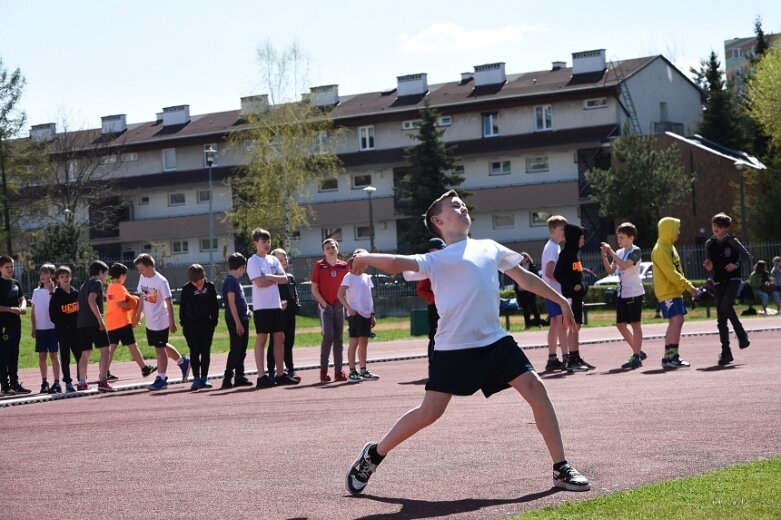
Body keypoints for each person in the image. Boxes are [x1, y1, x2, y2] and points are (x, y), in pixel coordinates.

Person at [345, 190, 590, 495]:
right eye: (454, 207)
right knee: (430, 412)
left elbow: (525, 278)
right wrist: (365, 257)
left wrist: (562, 301)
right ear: (438, 220)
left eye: (463, 205)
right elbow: (397, 262)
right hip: (453, 347)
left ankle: (561, 468)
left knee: (535, 387)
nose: (462, 209)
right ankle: (374, 454)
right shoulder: (436, 259)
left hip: (495, 341)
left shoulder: (489, 247)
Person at [246, 228, 299, 388]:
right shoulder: (253, 261)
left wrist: (269, 277)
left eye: (268, 241)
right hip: (262, 307)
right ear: (256, 243)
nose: (267, 244)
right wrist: (273, 279)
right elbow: (259, 283)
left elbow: (284, 279)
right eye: (263, 242)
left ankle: (281, 374)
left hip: (275, 305)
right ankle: (262, 376)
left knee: (279, 339)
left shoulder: (273, 261)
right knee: (262, 339)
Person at [133, 253, 190, 391]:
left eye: (141, 269)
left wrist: (172, 321)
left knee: (159, 349)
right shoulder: (143, 278)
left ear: (149, 267)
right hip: (150, 321)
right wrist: (137, 314)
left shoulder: (161, 281)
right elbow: (141, 297)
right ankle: (183, 362)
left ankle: (161, 378)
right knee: (161, 346)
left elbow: (168, 302)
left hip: (161, 320)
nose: (139, 272)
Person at [702, 213, 751, 366]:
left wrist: (735, 265)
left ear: (726, 228)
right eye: (714, 225)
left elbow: (746, 257)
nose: (716, 228)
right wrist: (709, 267)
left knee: (725, 306)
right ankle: (726, 352)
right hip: (718, 281)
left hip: (733, 279)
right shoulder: (709, 244)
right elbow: (710, 264)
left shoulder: (733, 241)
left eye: (720, 226)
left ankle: (741, 333)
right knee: (721, 319)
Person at [651, 217, 698, 369]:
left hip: (673, 291)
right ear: (668, 230)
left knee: (676, 321)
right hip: (668, 292)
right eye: (676, 228)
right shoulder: (661, 249)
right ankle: (671, 357)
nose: (678, 232)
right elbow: (671, 273)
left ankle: (670, 356)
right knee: (677, 321)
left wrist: (684, 287)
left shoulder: (669, 247)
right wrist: (689, 287)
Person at [600, 222, 647, 369]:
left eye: (622, 237)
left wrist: (612, 252)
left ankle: (636, 356)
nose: (619, 240)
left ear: (631, 237)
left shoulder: (636, 251)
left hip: (634, 292)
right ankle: (638, 351)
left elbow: (626, 265)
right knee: (620, 325)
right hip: (622, 293)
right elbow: (610, 269)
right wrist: (604, 255)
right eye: (618, 237)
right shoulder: (619, 252)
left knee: (635, 324)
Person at [105, 263, 156, 379]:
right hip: (122, 322)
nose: (126, 278)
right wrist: (132, 305)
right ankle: (144, 368)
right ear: (121, 275)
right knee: (133, 346)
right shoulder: (119, 287)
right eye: (125, 275)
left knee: (111, 348)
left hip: (112, 322)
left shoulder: (110, 287)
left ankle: (104, 371)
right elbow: (120, 303)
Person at [311, 238, 349, 382]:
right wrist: (324, 305)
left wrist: (345, 304)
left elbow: (348, 287)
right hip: (325, 306)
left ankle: (338, 372)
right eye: (327, 247)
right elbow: (314, 289)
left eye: (333, 246)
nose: (330, 249)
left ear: (337, 249)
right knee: (328, 336)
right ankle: (323, 371)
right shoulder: (319, 266)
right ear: (324, 251)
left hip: (339, 305)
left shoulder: (344, 266)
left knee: (338, 339)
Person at [553, 224, 591, 372]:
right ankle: (571, 359)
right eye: (581, 238)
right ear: (575, 238)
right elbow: (557, 274)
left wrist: (582, 286)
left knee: (577, 325)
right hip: (570, 297)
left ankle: (576, 356)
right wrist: (571, 286)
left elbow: (577, 275)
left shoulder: (575, 254)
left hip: (576, 297)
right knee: (573, 326)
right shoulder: (566, 254)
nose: (583, 241)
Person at [337, 249, 379, 383]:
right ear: (350, 266)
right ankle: (352, 371)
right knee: (354, 342)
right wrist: (349, 308)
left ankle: (363, 370)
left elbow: (369, 297)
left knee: (364, 342)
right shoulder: (348, 277)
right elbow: (340, 294)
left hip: (366, 314)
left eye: (362, 265)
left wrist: (372, 314)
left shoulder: (366, 278)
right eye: (355, 266)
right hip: (355, 314)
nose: (359, 269)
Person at [179, 264, 219, 390]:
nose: (198, 284)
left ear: (204, 277)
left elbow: (215, 306)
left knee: (205, 351)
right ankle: (196, 378)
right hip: (191, 326)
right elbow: (182, 308)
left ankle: (205, 377)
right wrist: (184, 323)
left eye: (200, 281)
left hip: (207, 324)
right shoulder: (187, 289)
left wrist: (214, 322)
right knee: (195, 352)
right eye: (194, 282)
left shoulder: (210, 287)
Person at [266, 248, 301, 381]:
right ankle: (271, 371)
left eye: (285, 258)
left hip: (290, 314)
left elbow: (294, 292)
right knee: (275, 342)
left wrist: (296, 304)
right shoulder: (273, 278)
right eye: (280, 259)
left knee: (289, 342)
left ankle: (290, 369)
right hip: (278, 314)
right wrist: (279, 303)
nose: (284, 261)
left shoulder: (290, 277)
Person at [77, 260, 112, 392]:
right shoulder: (97, 283)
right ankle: (103, 380)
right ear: (100, 272)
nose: (106, 277)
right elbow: (91, 300)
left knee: (85, 353)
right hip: (93, 322)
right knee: (105, 349)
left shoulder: (83, 285)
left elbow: (79, 305)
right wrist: (100, 319)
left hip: (81, 323)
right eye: (105, 274)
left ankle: (82, 382)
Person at [541, 216, 570, 371]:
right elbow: (549, 271)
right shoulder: (552, 248)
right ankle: (565, 357)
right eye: (561, 229)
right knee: (560, 324)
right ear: (553, 230)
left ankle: (553, 358)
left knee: (556, 324)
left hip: (551, 291)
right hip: (553, 291)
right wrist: (565, 280)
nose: (564, 232)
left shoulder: (554, 246)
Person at [221, 253, 253, 389]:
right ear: (241, 267)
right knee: (236, 348)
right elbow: (231, 303)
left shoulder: (236, 281)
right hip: (235, 320)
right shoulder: (230, 281)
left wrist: (247, 311)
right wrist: (238, 322)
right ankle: (227, 377)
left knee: (242, 349)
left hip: (243, 318)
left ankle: (239, 375)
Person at [0, 255, 30, 395]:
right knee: (3, 354)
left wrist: (23, 306)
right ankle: (5, 386)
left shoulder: (15, 283)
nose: (10, 269)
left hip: (15, 324)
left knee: (14, 354)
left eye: (12, 266)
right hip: (3, 324)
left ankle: (15, 384)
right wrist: (10, 309)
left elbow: (22, 298)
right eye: (7, 267)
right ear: (0, 268)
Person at [415, 238, 446, 371]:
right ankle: (433, 367)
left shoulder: (447, 265)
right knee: (434, 335)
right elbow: (420, 289)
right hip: (434, 306)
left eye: (442, 249)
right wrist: (433, 298)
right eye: (438, 249)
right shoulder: (428, 267)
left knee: (450, 334)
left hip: (449, 305)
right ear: (431, 251)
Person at [31, 263, 61, 394]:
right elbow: (33, 311)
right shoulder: (36, 292)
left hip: (53, 329)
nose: (42, 276)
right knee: (42, 356)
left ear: (53, 275)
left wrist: (51, 291)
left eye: (46, 273)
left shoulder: (56, 291)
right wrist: (34, 327)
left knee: (54, 355)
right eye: (41, 273)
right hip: (41, 329)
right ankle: (44, 382)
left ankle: (57, 382)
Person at [49, 266, 80, 393]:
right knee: (65, 357)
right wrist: (64, 325)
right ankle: (68, 382)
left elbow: (80, 311)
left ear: (71, 277)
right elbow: (53, 315)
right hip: (63, 332)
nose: (65, 279)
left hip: (76, 331)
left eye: (67, 276)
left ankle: (82, 379)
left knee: (80, 356)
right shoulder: (56, 296)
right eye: (62, 277)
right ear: (57, 280)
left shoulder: (75, 294)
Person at [514, 252, 542, 330]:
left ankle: (539, 323)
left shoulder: (532, 266)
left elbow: (537, 277)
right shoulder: (518, 267)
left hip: (530, 291)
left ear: (527, 258)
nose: (522, 260)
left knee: (533, 307)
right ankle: (527, 325)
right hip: (521, 291)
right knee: (525, 309)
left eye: (523, 258)